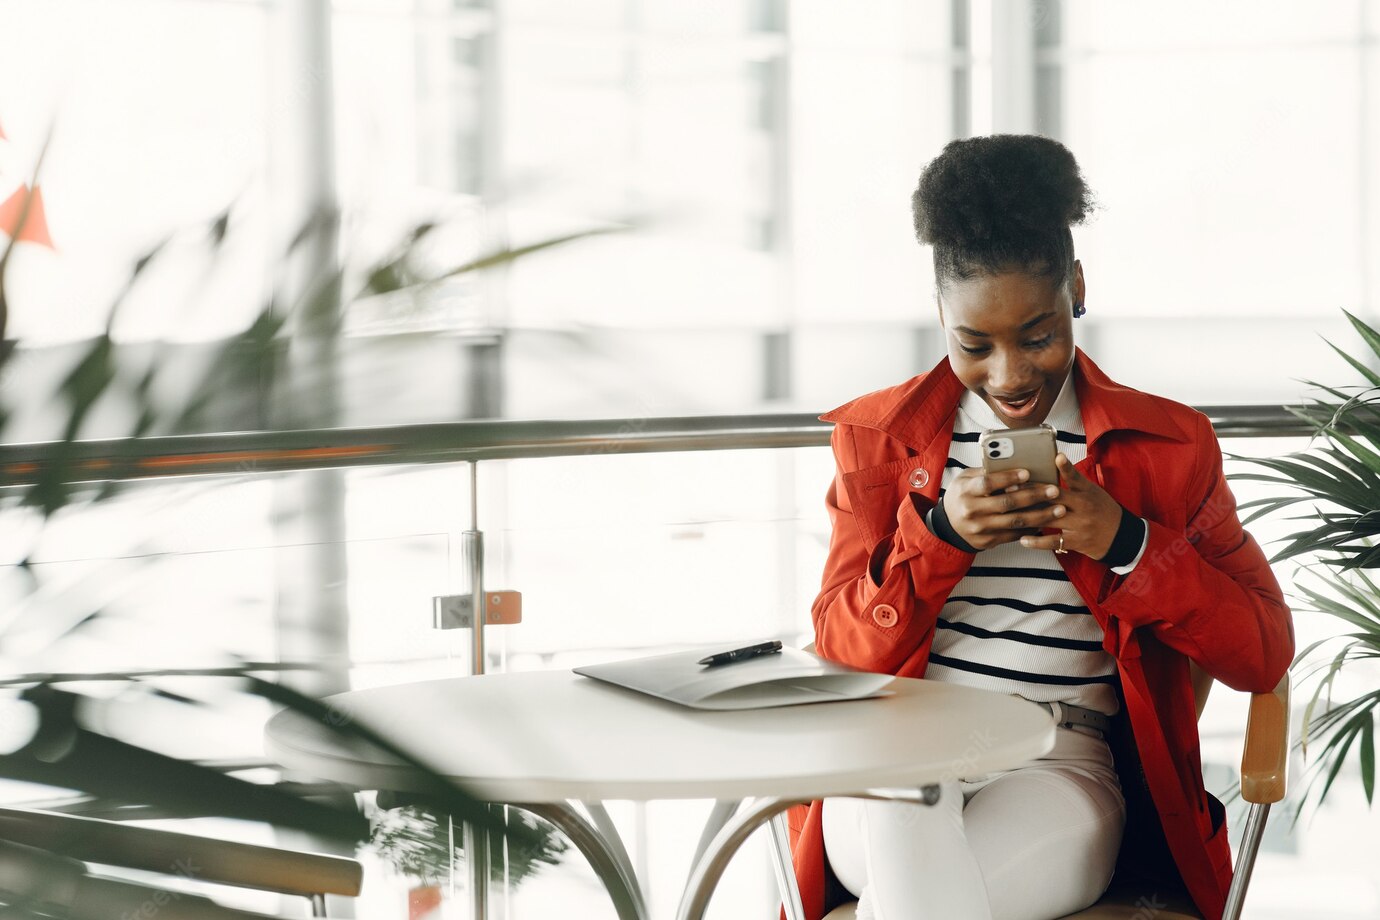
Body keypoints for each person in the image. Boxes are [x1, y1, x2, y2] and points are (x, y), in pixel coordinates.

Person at [786, 135, 1294, 920]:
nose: (1010, 375)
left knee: (924, 892)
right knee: (902, 790)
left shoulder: (1168, 447)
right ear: (941, 316)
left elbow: (1261, 652)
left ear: (1077, 290)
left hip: (1059, 763)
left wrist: (1126, 541)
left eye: (1037, 335)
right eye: (973, 345)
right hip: (893, 766)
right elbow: (843, 648)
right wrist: (940, 537)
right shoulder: (880, 441)